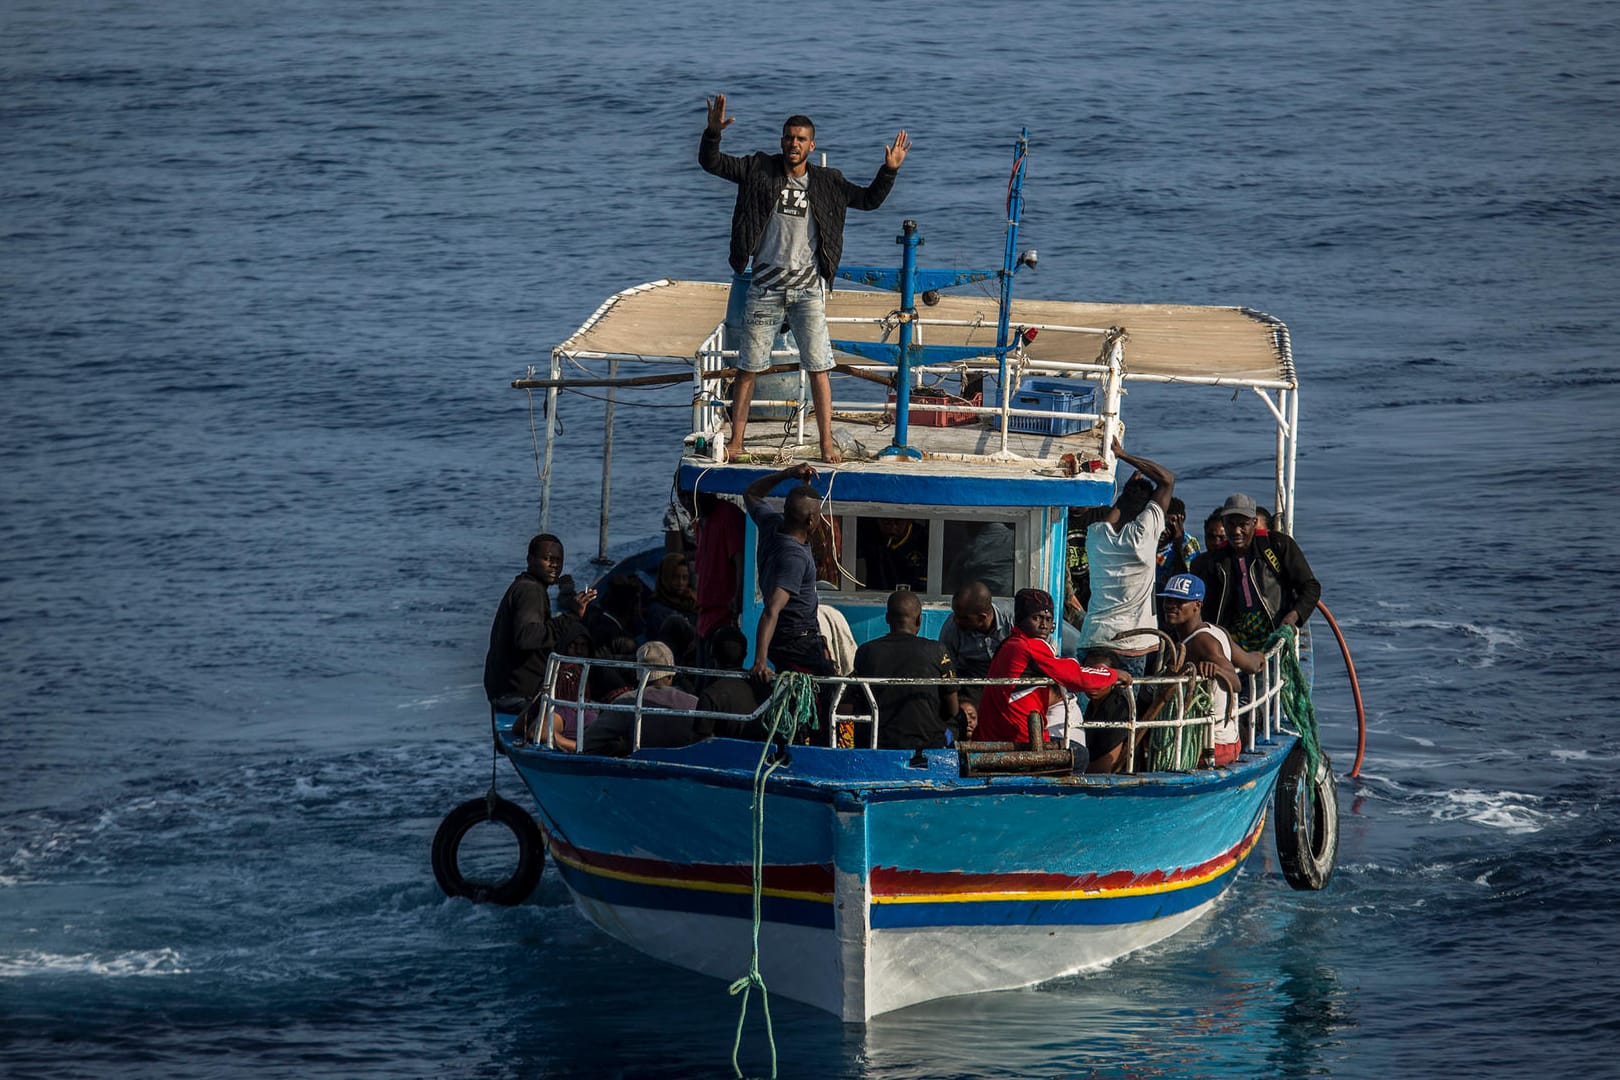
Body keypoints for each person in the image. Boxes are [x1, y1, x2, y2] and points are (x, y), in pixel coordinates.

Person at [700, 94, 912, 463]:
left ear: (811, 146)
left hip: (808, 291)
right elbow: (712, 163)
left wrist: (889, 170)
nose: (793, 144)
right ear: (781, 142)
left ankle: (827, 444)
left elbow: (868, 200)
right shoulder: (758, 170)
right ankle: (736, 441)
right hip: (764, 288)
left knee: (819, 367)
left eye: (800, 139)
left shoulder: (828, 182)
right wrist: (713, 133)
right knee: (749, 367)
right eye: (788, 138)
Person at [976, 589, 1123, 750]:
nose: (1044, 625)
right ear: (1020, 619)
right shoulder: (1030, 646)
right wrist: (1114, 675)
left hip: (996, 736)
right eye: (1036, 618)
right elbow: (1076, 677)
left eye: (1048, 619)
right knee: (1079, 753)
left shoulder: (1008, 645)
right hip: (1020, 740)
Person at [1078, 439, 1175, 672]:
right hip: (1131, 643)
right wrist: (1122, 454)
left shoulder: (1096, 536)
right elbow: (1167, 479)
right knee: (1125, 707)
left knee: (1091, 706)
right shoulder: (1143, 537)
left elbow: (1115, 514)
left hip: (1094, 637)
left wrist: (1126, 493)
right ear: (1146, 511)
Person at [1150, 573, 1261, 766]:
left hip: (1213, 747)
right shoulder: (1216, 631)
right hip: (1230, 740)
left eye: (1179, 601)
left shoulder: (1202, 642)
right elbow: (1250, 664)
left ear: (1197, 605)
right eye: (1168, 599)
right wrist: (1261, 657)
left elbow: (1235, 683)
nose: (1170, 605)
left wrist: (1216, 671)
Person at [1193, 493, 1321, 653]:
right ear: (1224, 525)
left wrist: (1292, 618)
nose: (1236, 531)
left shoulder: (1276, 546)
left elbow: (1311, 587)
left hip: (1273, 633)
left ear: (1254, 523)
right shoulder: (1216, 561)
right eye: (1230, 524)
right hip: (1233, 639)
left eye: (1243, 525)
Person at [483, 533, 597, 713]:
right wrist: (572, 615)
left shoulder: (525, 586)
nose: (554, 565)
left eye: (558, 561)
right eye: (547, 559)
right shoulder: (530, 591)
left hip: (505, 691)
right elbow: (528, 638)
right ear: (530, 559)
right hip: (515, 695)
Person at [744, 463, 833, 679]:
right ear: (811, 520)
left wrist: (787, 475)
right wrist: (760, 662)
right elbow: (772, 610)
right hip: (797, 642)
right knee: (828, 695)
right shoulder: (793, 558)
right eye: (819, 515)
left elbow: (751, 493)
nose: (820, 519)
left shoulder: (772, 524)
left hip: (795, 638)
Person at [852, 591, 958, 751]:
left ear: (887, 618)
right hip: (927, 746)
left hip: (875, 744)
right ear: (919, 619)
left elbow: (856, 701)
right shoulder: (938, 650)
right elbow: (952, 709)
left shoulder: (866, 651)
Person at [582, 641, 703, 756]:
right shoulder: (695, 703)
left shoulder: (626, 701)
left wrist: (621, 747)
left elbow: (589, 741)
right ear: (671, 675)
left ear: (638, 675)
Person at [938, 581, 1013, 737]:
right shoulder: (952, 628)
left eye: (963, 617)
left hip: (1011, 685)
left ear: (982, 617)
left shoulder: (1012, 619)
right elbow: (947, 668)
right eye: (955, 614)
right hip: (973, 686)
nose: (956, 620)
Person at [693, 491, 746, 648]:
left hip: (724, 614)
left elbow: (740, 559)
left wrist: (737, 597)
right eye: (682, 495)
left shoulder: (728, 515)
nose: (687, 501)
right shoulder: (701, 522)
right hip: (705, 615)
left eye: (690, 495)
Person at [695, 626, 763, 737]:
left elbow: (699, 744)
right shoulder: (763, 687)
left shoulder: (710, 695)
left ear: (712, 654)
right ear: (745, 655)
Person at [644, 553, 698, 642]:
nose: (680, 583)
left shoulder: (690, 602)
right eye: (675, 577)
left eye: (684, 578)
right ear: (665, 578)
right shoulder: (658, 610)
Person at [865, 517, 928, 592]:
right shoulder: (869, 534)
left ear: (909, 521)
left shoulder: (924, 540)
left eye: (898, 522)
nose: (892, 527)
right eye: (886, 522)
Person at [1155, 497, 1203, 590]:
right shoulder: (1151, 539)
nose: (1163, 531)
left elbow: (1187, 581)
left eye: (1169, 525)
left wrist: (1178, 545)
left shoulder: (1188, 545)